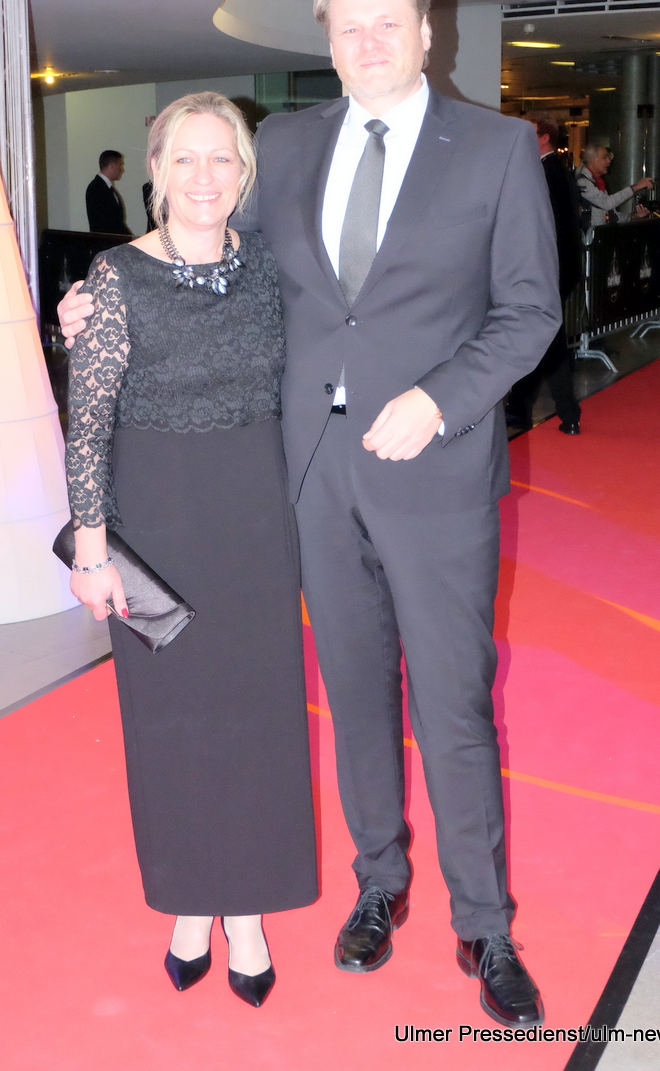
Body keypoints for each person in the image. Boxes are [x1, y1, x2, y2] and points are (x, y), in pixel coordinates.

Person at [59, 0, 560, 1029]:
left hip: (433, 473)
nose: (367, 42)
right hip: (301, 481)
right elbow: (208, 249)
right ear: (327, 41)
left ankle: (485, 924)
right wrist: (95, 298)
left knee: (454, 702)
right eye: (347, 26)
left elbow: (530, 312)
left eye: (387, 23)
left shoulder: (497, 148)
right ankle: (380, 883)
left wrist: (439, 399)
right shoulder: (283, 146)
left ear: (427, 32)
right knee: (353, 693)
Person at [64, 93, 317, 1006]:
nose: (204, 176)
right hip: (155, 531)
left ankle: (245, 908)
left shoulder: (272, 268)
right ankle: (188, 902)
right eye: (185, 158)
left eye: (222, 159)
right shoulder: (114, 278)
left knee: (259, 719)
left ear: (245, 174)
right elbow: (87, 425)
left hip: (256, 526)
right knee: (169, 725)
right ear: (156, 171)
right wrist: (91, 551)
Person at [508, 114, 582, 434]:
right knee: (540, 336)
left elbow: (543, 226)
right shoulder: (553, 171)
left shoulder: (547, 173)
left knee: (546, 339)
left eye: (530, 132)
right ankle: (522, 406)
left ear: (544, 138)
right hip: (553, 268)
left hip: (547, 270)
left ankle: (565, 411)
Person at [576, 144, 653, 226]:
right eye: (604, 157)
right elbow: (607, 203)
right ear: (592, 160)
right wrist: (635, 187)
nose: (608, 161)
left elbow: (613, 217)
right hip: (589, 234)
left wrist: (634, 216)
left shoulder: (597, 182)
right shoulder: (583, 182)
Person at [85, 150, 132, 235]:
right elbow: (105, 223)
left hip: (112, 241)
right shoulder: (96, 188)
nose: (122, 170)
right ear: (111, 166)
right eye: (120, 165)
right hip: (106, 241)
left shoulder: (105, 187)